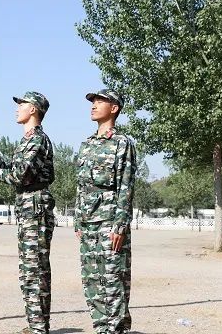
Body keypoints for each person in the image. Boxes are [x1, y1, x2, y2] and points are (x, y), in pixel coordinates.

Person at [0, 91, 55, 334]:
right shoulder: (27, 140)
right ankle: (36, 325)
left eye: (22, 104)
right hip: (28, 207)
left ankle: (38, 328)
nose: (17, 108)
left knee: (35, 269)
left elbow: (19, 176)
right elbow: (15, 168)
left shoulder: (37, 140)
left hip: (35, 206)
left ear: (33, 109)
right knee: (28, 269)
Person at [74, 89, 137, 334]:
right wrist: (78, 220)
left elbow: (126, 186)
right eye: (93, 101)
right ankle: (101, 329)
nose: (94, 105)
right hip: (88, 223)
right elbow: (81, 186)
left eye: (100, 101)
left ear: (114, 108)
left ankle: (117, 329)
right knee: (92, 281)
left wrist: (120, 226)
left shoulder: (122, 143)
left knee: (113, 281)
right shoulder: (86, 144)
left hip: (109, 222)